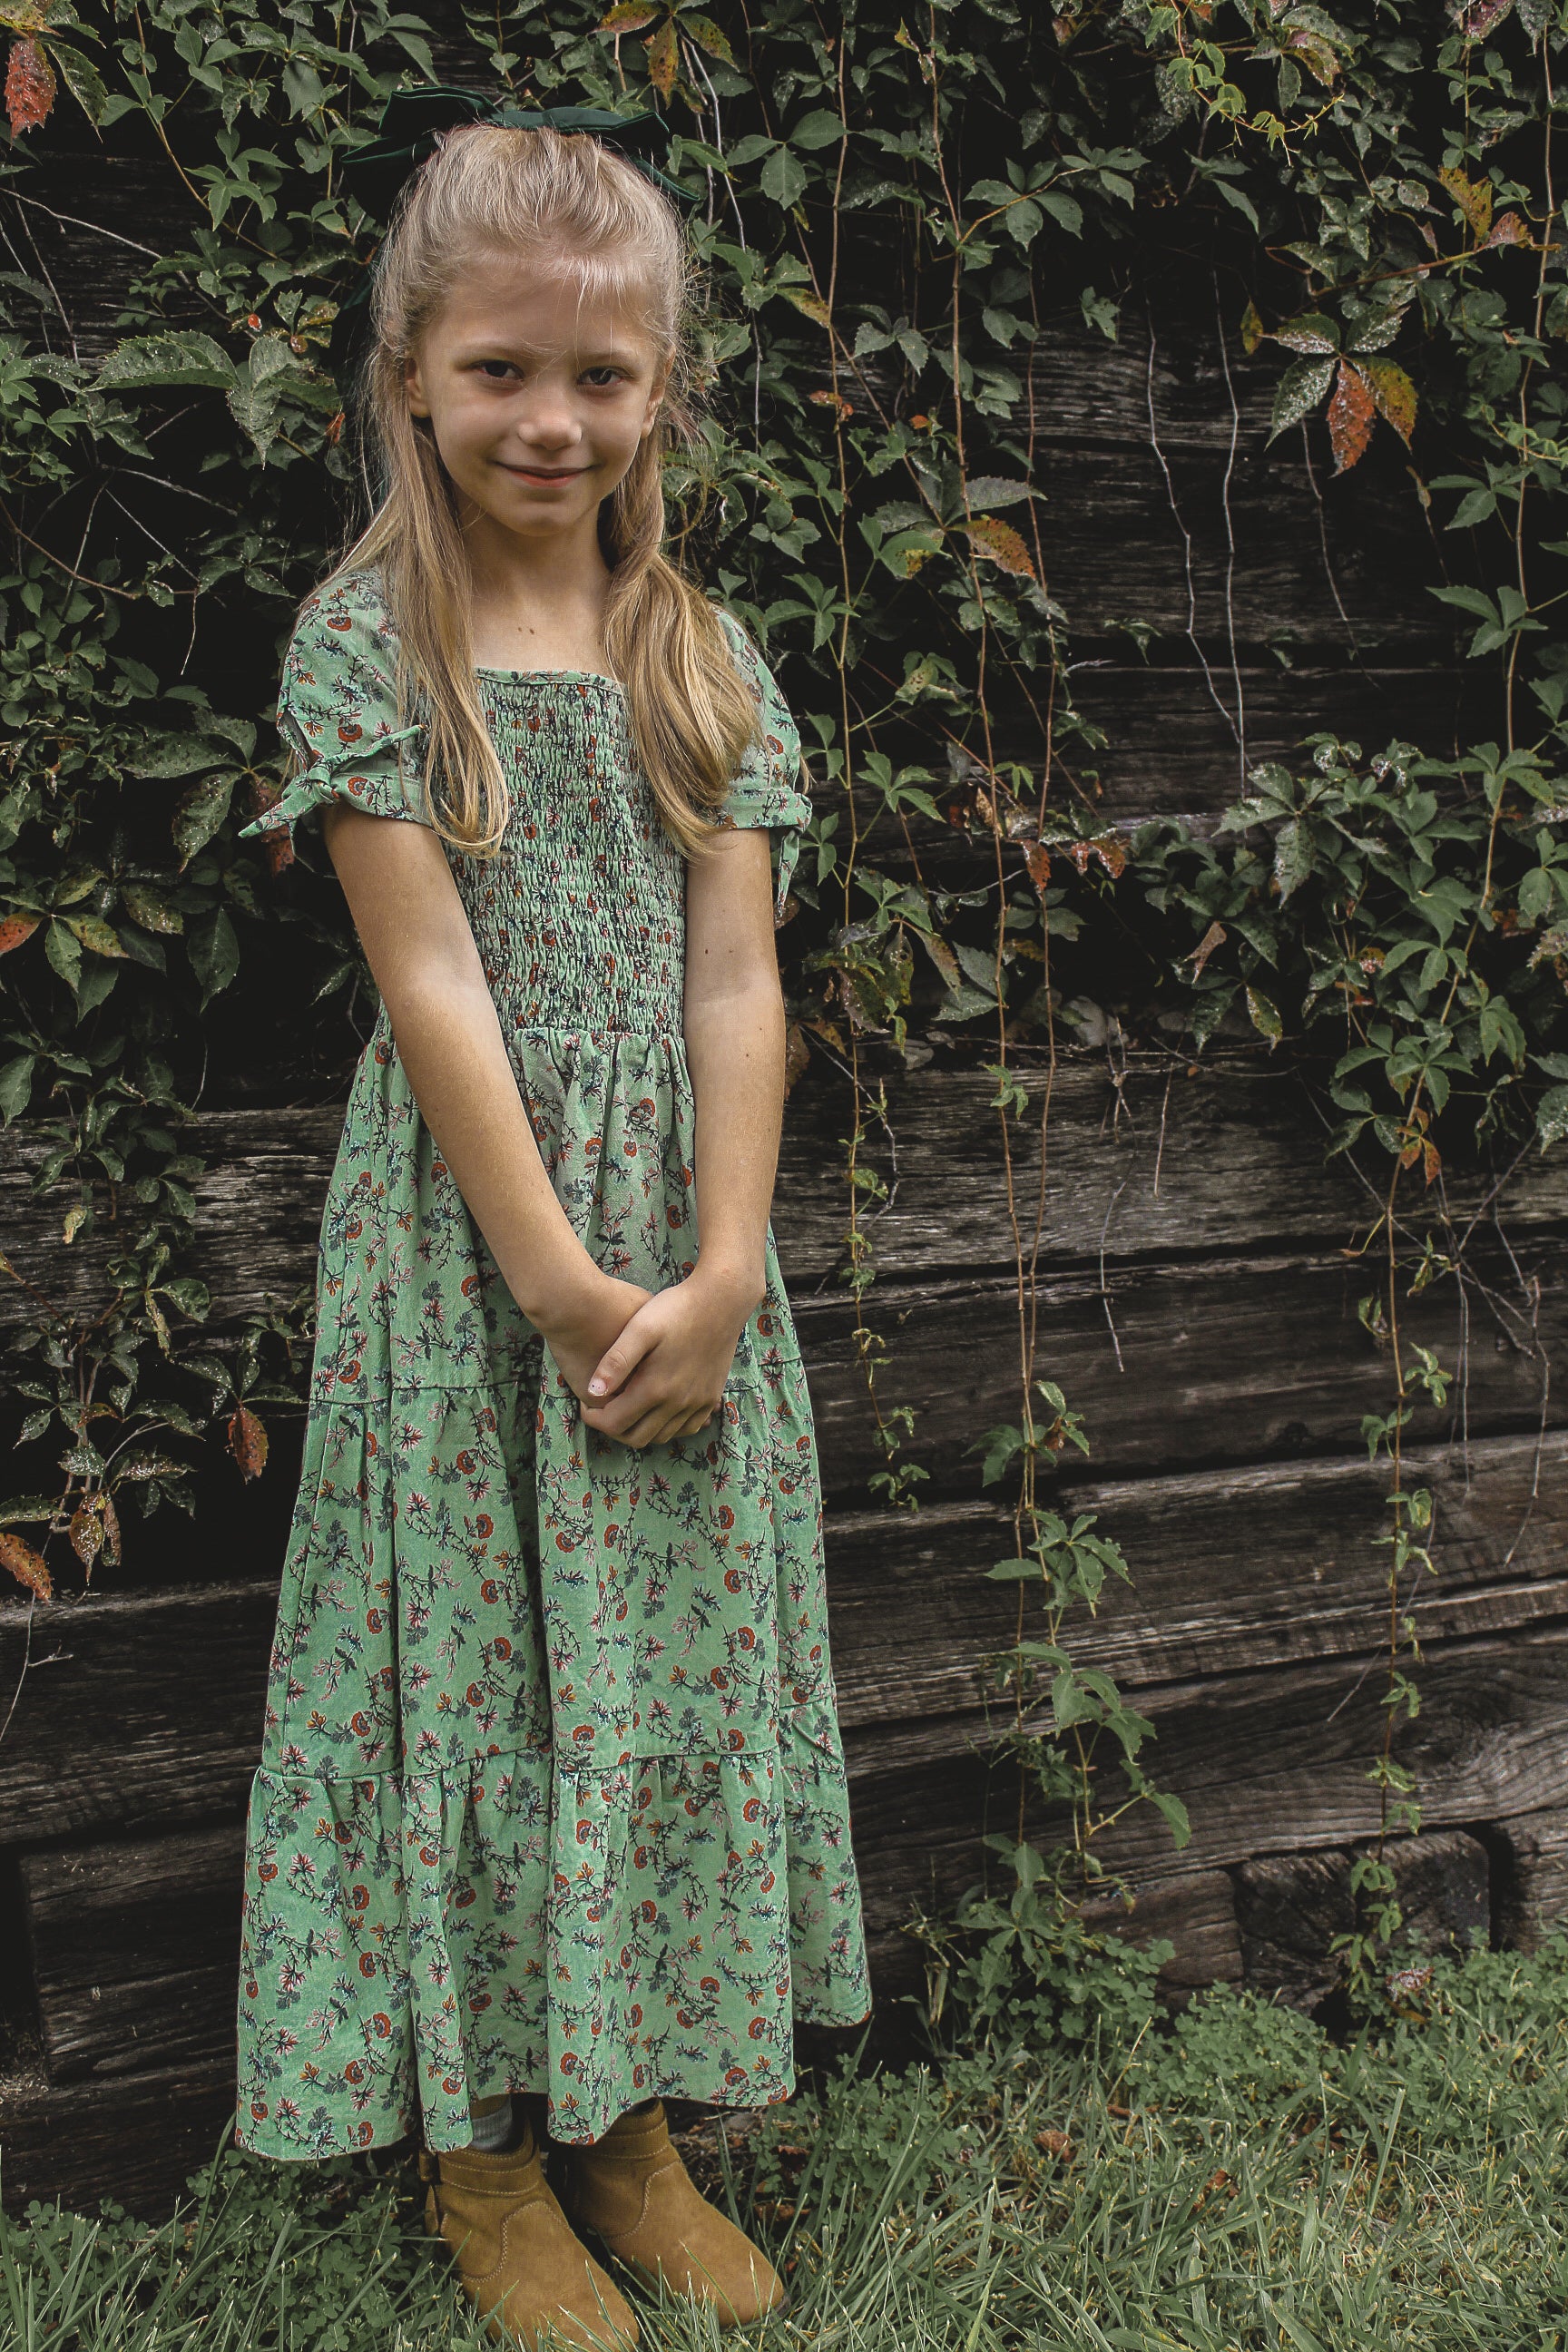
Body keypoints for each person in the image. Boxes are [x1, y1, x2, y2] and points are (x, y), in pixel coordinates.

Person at [231, 97, 870, 2351]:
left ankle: (629, 2126)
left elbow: (736, 980)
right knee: (474, 1679)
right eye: (502, 366)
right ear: (409, 371)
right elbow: (429, 982)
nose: (552, 416)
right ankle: (484, 2157)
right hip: (470, 1255)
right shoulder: (363, 652)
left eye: (602, 376)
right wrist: (561, 1281)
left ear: (660, 394)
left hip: (689, 1263)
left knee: (650, 1676)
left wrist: (712, 1273)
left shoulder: (698, 653)